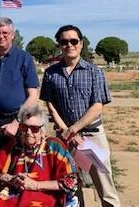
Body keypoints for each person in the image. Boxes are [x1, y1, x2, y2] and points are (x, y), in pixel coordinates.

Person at [40, 25, 121, 207]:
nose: (69, 45)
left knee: (105, 183)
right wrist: (67, 132)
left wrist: (74, 129)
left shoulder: (94, 72)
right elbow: (50, 105)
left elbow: (98, 105)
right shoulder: (51, 73)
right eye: (64, 41)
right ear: (59, 45)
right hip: (65, 138)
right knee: (70, 185)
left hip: (92, 136)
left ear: (81, 43)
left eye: (73, 41)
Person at [0, 104, 78, 207]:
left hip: (45, 196)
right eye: (24, 127)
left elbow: (71, 182)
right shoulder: (15, 145)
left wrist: (36, 185)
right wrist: (11, 179)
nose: (28, 132)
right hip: (13, 195)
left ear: (43, 131)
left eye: (34, 128)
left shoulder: (54, 146)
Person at [0, 17, 39, 170]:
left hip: (15, 121)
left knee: (14, 167)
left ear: (13, 35)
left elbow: (33, 95)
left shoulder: (24, 58)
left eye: (5, 32)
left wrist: (16, 122)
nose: (1, 36)